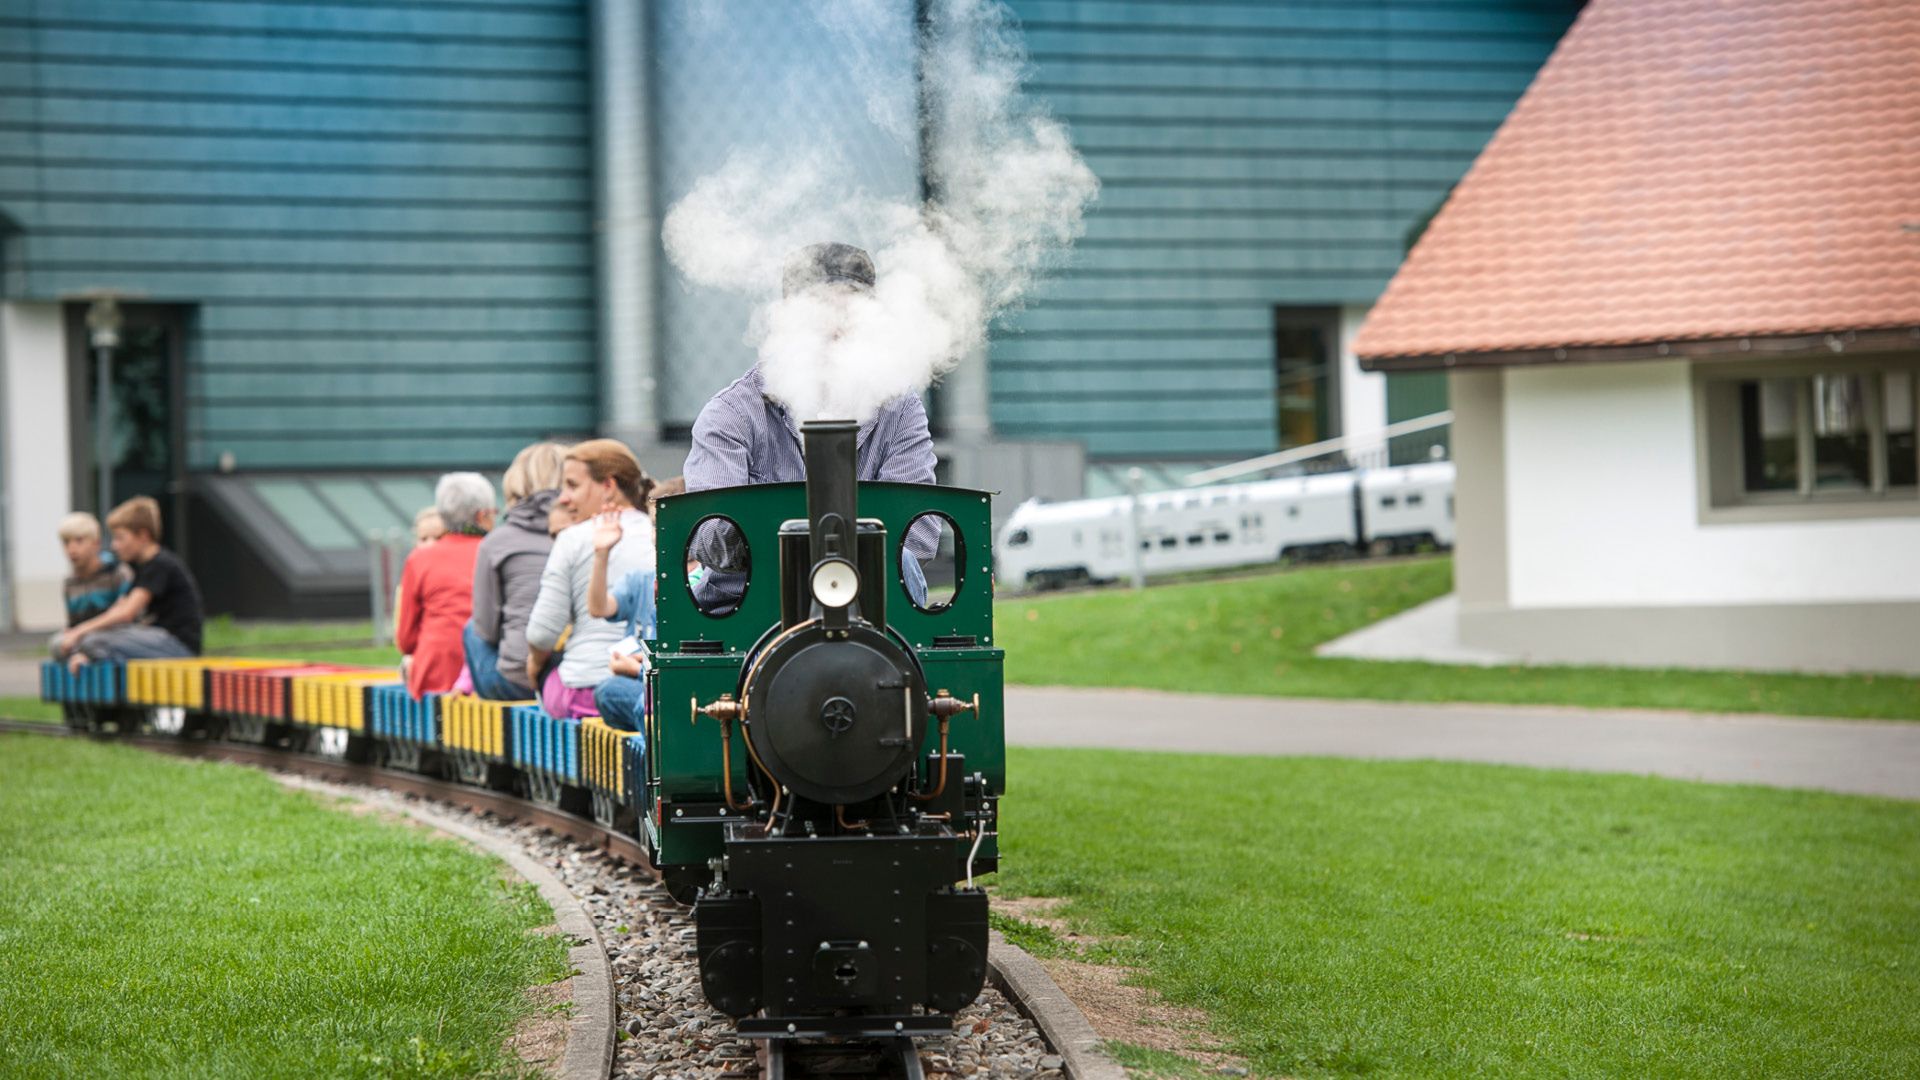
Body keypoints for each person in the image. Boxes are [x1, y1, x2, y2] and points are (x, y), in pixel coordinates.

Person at [683, 242, 938, 612]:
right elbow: (708, 539)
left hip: (873, 602)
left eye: (851, 309)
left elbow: (919, 536)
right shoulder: (730, 414)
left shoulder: (900, 407)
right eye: (821, 309)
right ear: (785, 317)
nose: (836, 328)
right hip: (748, 606)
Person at [524, 440, 655, 720]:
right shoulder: (660, 535)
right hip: (647, 688)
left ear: (608, 486)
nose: (563, 497)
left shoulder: (572, 538)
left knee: (548, 667)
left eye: (572, 485)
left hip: (584, 692)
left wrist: (534, 665)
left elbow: (542, 633)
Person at [466, 442, 567, 701]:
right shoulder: (589, 532)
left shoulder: (496, 542)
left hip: (517, 682)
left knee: (470, 628)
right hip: (569, 673)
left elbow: (486, 629)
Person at [59, 496, 204, 669]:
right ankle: (89, 657)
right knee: (85, 640)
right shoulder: (139, 568)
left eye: (120, 538)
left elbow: (126, 613)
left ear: (143, 536)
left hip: (177, 646)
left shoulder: (159, 564)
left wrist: (80, 630)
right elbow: (119, 608)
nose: (114, 545)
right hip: (155, 639)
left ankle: (92, 659)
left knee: (94, 641)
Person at [395, 473, 494, 699]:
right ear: (483, 515)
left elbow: (406, 641)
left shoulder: (419, 559)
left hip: (435, 675)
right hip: (486, 675)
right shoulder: (496, 551)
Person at [584, 508, 657, 733]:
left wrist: (638, 669)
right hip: (642, 684)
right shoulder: (641, 580)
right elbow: (599, 608)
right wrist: (601, 553)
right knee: (608, 692)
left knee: (642, 705)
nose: (655, 533)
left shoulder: (701, 582)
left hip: (663, 686)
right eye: (654, 523)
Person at [51, 512, 132, 660]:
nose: (72, 548)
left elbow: (125, 616)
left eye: (79, 540)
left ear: (96, 543)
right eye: (66, 542)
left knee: (91, 643)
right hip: (83, 636)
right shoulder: (70, 582)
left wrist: (82, 635)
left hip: (114, 634)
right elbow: (73, 624)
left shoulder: (116, 572)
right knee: (57, 643)